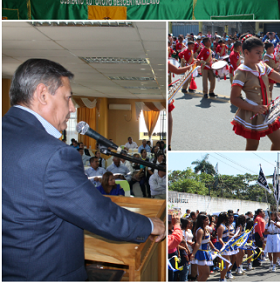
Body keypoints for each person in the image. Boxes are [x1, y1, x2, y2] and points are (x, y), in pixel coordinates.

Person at [2, 59, 165, 281]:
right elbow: (98, 215)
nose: (72, 107)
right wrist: (147, 224)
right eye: (68, 97)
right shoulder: (54, 154)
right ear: (42, 94)